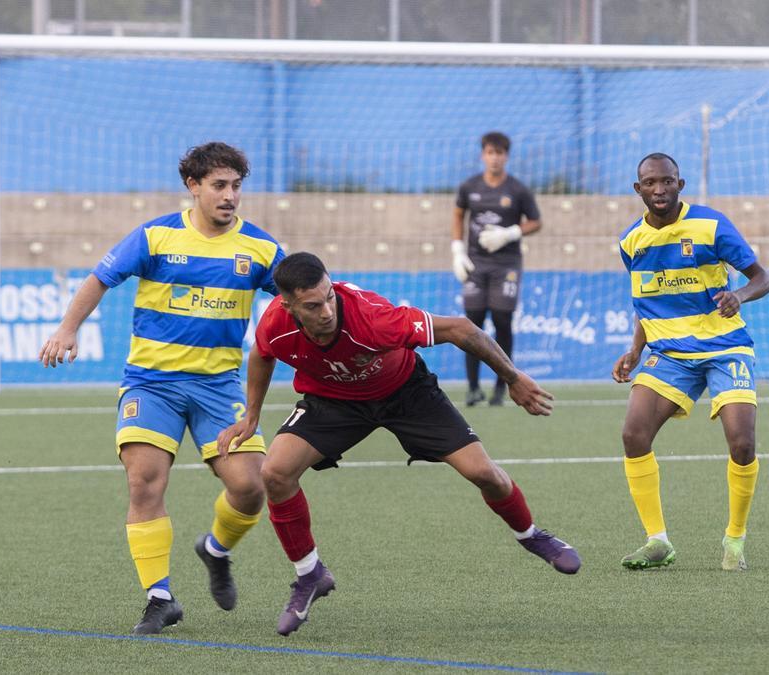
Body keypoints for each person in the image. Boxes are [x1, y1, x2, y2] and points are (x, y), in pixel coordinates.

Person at [217, 251, 581, 637]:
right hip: (333, 401)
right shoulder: (275, 322)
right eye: (312, 304)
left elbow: (461, 329)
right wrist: (252, 414)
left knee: (484, 473)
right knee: (274, 474)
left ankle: (531, 535)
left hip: (405, 394)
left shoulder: (371, 318)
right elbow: (261, 355)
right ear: (287, 304)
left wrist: (512, 377)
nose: (326, 310)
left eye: (329, 297)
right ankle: (310, 575)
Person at [39, 142, 286, 634]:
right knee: (144, 480)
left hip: (219, 387)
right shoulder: (155, 236)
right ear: (193, 187)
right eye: (219, 185)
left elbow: (304, 295)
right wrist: (68, 327)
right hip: (152, 383)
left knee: (250, 486)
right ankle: (160, 597)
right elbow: (101, 277)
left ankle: (216, 551)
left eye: (236, 186)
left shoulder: (260, 249)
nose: (230, 196)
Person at [612, 153, 769, 573]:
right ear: (638, 189)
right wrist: (635, 350)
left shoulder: (711, 226)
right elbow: (646, 302)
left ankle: (734, 540)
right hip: (669, 354)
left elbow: (763, 278)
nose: (659, 190)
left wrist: (740, 295)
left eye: (667, 182)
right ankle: (657, 541)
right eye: (650, 183)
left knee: (742, 442)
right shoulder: (631, 242)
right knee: (633, 433)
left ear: (681, 185)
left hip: (724, 347)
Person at [451, 131, 542, 407]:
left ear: (506, 156)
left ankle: (503, 387)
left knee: (502, 321)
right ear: (483, 155)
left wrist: (510, 233)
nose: (494, 158)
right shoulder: (469, 187)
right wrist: (457, 250)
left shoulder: (517, 190)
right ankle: (473, 388)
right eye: (490, 153)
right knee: (471, 323)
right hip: (476, 264)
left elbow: (535, 222)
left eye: (499, 153)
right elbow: (458, 213)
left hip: (506, 265)